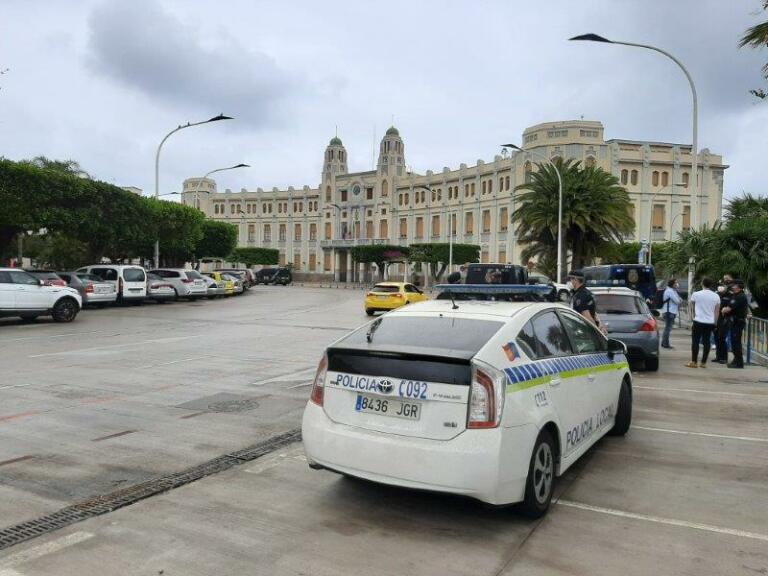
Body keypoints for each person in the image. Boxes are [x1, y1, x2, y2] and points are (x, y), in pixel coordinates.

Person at [687, 277, 720, 368]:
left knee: (695, 341)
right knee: (707, 341)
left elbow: (692, 306)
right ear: (711, 285)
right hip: (710, 322)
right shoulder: (716, 296)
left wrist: (693, 316)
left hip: (698, 320)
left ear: (702, 284)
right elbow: (717, 311)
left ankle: (694, 361)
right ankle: (703, 362)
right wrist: (715, 323)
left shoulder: (696, 294)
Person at [722, 279, 748, 368]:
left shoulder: (740, 296)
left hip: (738, 322)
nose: (732, 286)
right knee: (734, 342)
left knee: (736, 343)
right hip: (734, 322)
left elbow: (729, 308)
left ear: (738, 287)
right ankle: (736, 360)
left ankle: (739, 363)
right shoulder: (735, 295)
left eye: (734, 284)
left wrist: (724, 310)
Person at [714, 275, 734, 363]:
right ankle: (718, 356)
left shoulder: (731, 294)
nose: (725, 281)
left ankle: (724, 358)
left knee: (722, 338)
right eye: (724, 279)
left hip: (726, 318)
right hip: (718, 318)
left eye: (727, 279)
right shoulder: (718, 294)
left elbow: (732, 306)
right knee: (716, 338)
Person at [660, 279, 682, 349]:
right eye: (676, 283)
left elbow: (679, 299)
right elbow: (678, 301)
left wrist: (679, 300)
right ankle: (666, 344)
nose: (677, 284)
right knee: (668, 328)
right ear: (672, 284)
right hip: (669, 312)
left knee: (667, 328)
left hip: (671, 311)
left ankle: (664, 343)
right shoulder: (670, 291)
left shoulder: (673, 291)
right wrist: (679, 300)